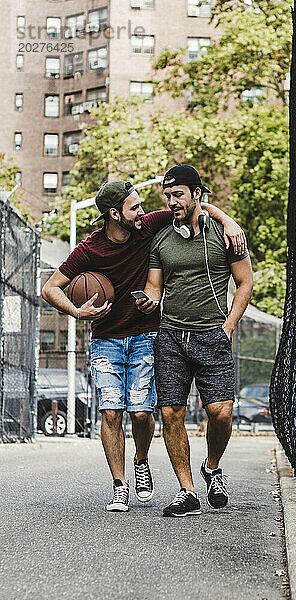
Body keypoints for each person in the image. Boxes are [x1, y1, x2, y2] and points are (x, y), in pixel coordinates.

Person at [41, 179, 246, 512]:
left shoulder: (146, 226)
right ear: (113, 214)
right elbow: (50, 288)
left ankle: (140, 458)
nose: (143, 211)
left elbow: (191, 208)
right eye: (134, 207)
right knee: (110, 411)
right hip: (106, 338)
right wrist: (78, 311)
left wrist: (228, 220)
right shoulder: (89, 249)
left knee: (140, 412)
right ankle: (120, 485)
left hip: (145, 335)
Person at [137, 165, 253, 516]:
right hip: (171, 336)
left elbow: (245, 283)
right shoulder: (162, 240)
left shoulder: (225, 235)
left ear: (196, 195)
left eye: (178, 195)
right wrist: (147, 300)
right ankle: (187, 492)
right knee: (171, 412)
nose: (171, 201)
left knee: (221, 413)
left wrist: (229, 325)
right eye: (167, 196)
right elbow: (155, 288)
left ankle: (212, 467)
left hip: (212, 335)